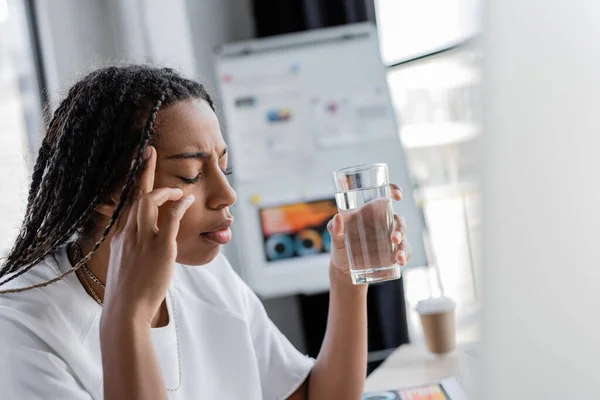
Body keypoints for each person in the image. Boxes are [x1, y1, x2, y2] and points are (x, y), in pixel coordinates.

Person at [0, 65, 411, 400]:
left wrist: (347, 277)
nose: (226, 194)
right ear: (109, 191)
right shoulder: (20, 330)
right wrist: (126, 320)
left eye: (224, 168)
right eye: (192, 175)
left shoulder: (202, 272)